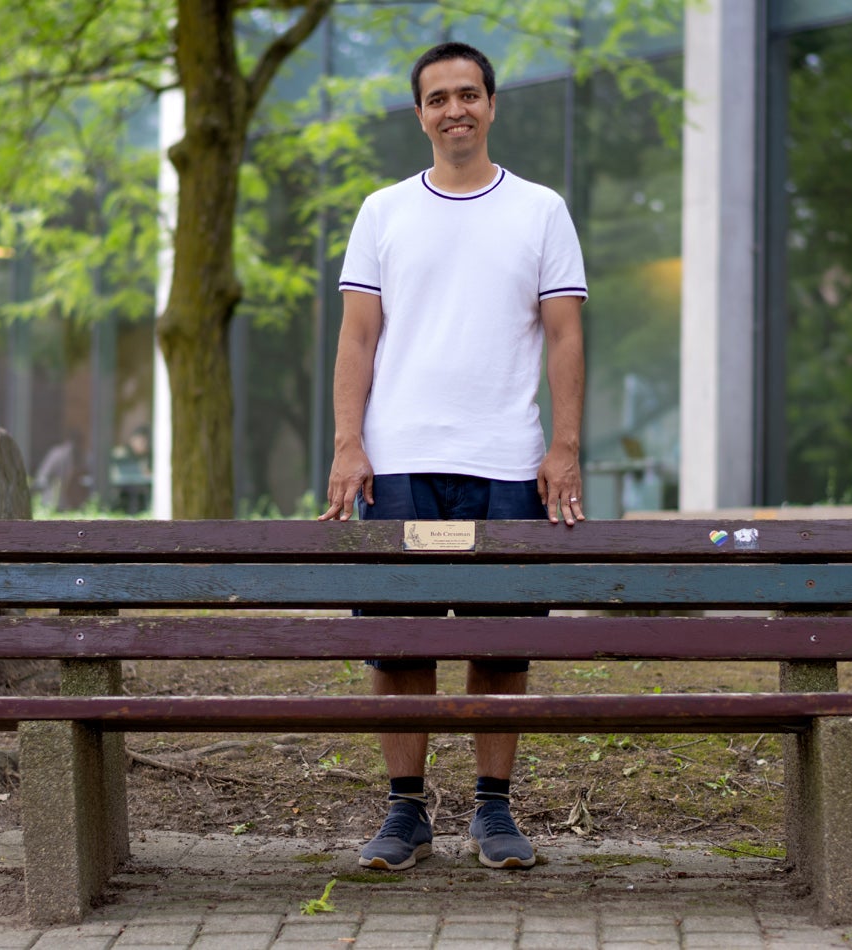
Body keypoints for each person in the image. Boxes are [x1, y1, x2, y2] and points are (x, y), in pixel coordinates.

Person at [318, 41, 587, 873]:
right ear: (420, 114)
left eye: (469, 94)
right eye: (438, 98)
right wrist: (348, 442)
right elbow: (358, 336)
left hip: (507, 462)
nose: (455, 109)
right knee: (399, 646)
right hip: (398, 462)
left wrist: (565, 449)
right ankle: (404, 815)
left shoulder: (541, 209)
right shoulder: (383, 210)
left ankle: (493, 812)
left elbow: (566, 334)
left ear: (493, 105)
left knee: (499, 646)